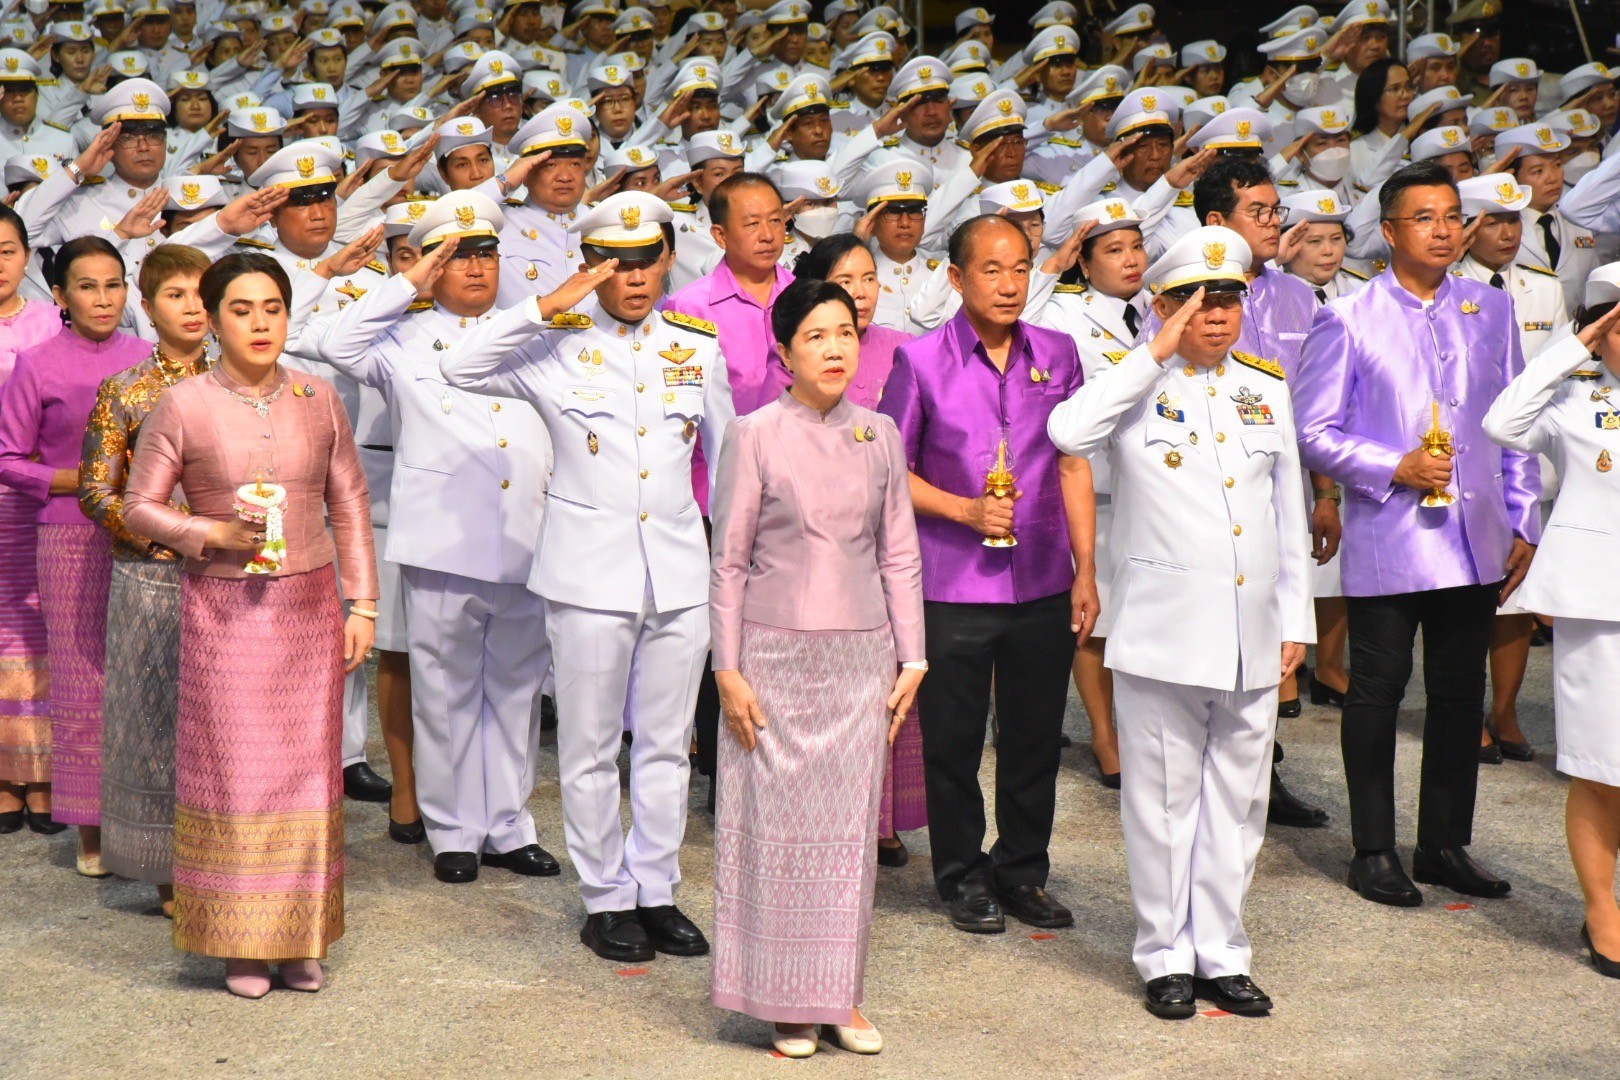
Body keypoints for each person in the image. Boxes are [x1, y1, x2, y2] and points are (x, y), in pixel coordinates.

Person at [442, 191, 734, 964]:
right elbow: (458, 365)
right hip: (586, 576)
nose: (632, 277)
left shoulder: (696, 344)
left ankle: (658, 888)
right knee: (592, 745)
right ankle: (606, 896)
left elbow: (730, 465)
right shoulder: (553, 343)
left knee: (669, 745)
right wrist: (545, 303)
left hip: (677, 571)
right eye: (614, 261)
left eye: (645, 260)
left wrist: (731, 563)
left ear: (668, 259)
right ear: (592, 264)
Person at [1048, 225, 1313, 1020]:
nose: (1219, 314)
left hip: (1250, 627)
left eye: (1231, 297)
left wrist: (1292, 616)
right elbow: (1067, 434)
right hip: (1164, 630)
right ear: (1162, 304)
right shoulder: (1131, 385)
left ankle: (1222, 953)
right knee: (1163, 805)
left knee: (1238, 803)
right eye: (1200, 300)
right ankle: (1164, 953)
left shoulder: (1264, 388)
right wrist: (1153, 352)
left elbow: (1286, 514)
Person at [121, 253, 377, 999]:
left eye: (272, 308)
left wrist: (362, 604)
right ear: (212, 316)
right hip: (225, 613)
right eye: (242, 309)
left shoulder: (317, 396)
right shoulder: (186, 403)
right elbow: (138, 505)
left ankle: (299, 937)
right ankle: (239, 939)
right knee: (236, 776)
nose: (260, 323)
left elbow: (351, 504)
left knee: (306, 777)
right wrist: (208, 532)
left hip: (308, 610)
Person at [1293, 161, 1539, 907]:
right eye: (1425, 217)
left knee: (1460, 693)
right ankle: (1373, 849)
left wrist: (1524, 514)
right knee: (1378, 691)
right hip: (1392, 534)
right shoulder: (1351, 314)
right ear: (1391, 230)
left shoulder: (1489, 309)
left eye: (1451, 215)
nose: (1443, 229)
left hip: (1475, 534)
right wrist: (1390, 465)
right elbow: (1313, 430)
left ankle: (1442, 843)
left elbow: (1517, 416)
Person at [317, 190, 568, 879]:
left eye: (487, 253)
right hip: (441, 540)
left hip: (524, 535)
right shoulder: (400, 336)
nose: (478, 268)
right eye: (458, 256)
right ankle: (453, 829)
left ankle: (510, 826)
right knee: (444, 689)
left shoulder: (535, 332)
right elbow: (331, 342)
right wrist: (406, 285)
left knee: (516, 692)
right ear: (432, 263)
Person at [708, 276, 925, 1058]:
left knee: (845, 840)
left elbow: (901, 553)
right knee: (773, 833)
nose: (836, 348)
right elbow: (729, 562)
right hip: (773, 659)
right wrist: (727, 668)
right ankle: (783, 1000)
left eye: (846, 333)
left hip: (861, 661)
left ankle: (840, 995)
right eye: (816, 336)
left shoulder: (881, 435)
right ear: (784, 350)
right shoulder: (755, 432)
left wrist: (914, 654)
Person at [878, 214, 1098, 935]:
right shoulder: (921, 360)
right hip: (952, 583)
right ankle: (962, 873)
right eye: (991, 269)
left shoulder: (1059, 353)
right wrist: (965, 512)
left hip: (1040, 574)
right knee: (953, 739)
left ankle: (1023, 870)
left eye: (1020, 267)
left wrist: (1085, 568)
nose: (1009, 284)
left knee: (1035, 736)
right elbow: (889, 470)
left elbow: (1072, 460)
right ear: (956, 277)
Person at [1481, 266, 1620, 979]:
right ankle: (1603, 912)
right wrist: (1571, 348)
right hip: (1601, 611)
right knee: (1603, 769)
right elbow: (1500, 423)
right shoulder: (1575, 399)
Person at [0, 236, 152, 875]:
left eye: (113, 284)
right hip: (67, 535)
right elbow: (7, 459)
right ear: (58, 296)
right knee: (84, 680)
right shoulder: (37, 363)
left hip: (148, 536)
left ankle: (147, 823)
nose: (103, 298)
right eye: (86, 286)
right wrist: (81, 478)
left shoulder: (151, 359)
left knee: (142, 679)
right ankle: (89, 829)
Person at [778, 233, 922, 863]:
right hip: (806, 571)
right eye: (846, 279)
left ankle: (880, 817)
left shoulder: (902, 351)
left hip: (887, 544)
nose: (861, 291)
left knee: (887, 693)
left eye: (869, 278)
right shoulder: (792, 379)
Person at [77, 242, 211, 913]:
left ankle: (229, 859)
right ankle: (165, 869)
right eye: (175, 295)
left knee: (224, 721)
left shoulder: (247, 385)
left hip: (232, 577)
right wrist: (164, 540)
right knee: (156, 722)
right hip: (152, 577)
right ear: (147, 306)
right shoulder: (125, 391)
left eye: (201, 293)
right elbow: (97, 492)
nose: (192, 307)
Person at [0, 205, 62, 835]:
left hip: (37, 496)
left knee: (38, 625)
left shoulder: (51, 322)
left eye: (8, 249)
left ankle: (42, 772)